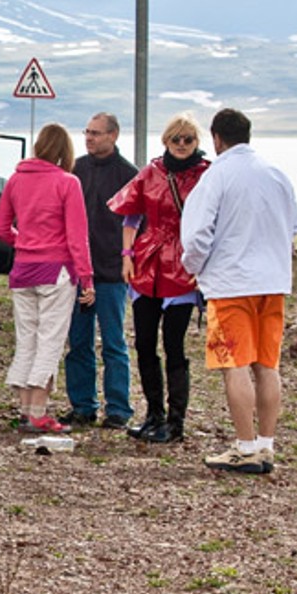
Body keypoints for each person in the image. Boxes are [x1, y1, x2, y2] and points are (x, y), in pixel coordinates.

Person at [179, 108, 297, 474]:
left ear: (216, 139)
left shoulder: (217, 176)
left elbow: (198, 234)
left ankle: (245, 445)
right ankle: (266, 443)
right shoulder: (275, 173)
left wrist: (194, 267)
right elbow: (293, 224)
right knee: (267, 364)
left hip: (232, 282)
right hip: (272, 280)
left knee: (234, 364)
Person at [108, 114, 211, 444]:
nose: (181, 145)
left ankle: (176, 420)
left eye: (188, 139)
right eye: (176, 139)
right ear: (165, 141)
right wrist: (127, 257)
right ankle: (154, 413)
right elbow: (130, 216)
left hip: (184, 265)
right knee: (144, 342)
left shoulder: (206, 175)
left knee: (174, 344)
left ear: (197, 143)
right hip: (147, 263)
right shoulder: (151, 173)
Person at [0, 123, 94, 433]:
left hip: (23, 270)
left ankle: (24, 410)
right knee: (49, 341)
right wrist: (87, 279)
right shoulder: (68, 182)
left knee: (27, 340)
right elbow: (78, 236)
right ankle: (38, 411)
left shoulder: (15, 181)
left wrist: (21, 242)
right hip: (56, 271)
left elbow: (0, 227)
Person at [63, 112, 139, 429]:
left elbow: (137, 223)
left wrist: (128, 259)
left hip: (110, 272)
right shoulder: (75, 169)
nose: (90, 138)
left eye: (96, 133)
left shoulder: (129, 174)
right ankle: (83, 404)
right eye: (87, 132)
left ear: (113, 135)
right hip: (78, 272)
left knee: (113, 343)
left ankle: (118, 408)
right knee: (78, 342)